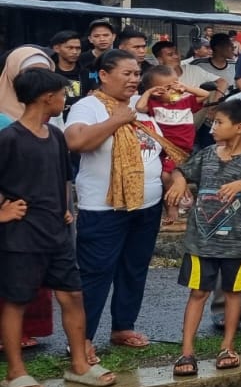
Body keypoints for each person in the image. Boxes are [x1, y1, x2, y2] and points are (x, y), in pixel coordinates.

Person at [0, 69, 113, 387]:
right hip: (20, 237)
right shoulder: (9, 139)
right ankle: (15, 372)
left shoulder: (56, 136)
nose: (65, 100)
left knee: (72, 295)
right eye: (62, 94)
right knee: (16, 302)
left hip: (57, 234)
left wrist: (65, 207)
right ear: (46, 97)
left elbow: (63, 178)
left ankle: (80, 365)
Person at [164, 98, 241, 377]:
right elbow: (182, 169)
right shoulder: (206, 154)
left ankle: (227, 346)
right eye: (213, 122)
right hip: (200, 242)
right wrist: (179, 180)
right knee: (198, 293)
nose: (213, 127)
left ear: (239, 128)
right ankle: (187, 351)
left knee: (232, 293)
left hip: (238, 245)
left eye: (219, 122)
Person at [66, 49, 172, 349]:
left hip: (146, 206)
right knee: (96, 274)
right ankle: (81, 340)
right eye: (126, 73)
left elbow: (160, 154)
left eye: (137, 74)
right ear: (103, 75)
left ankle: (123, 327)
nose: (134, 79)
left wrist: (174, 181)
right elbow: (75, 141)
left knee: (134, 269)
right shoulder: (88, 107)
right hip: (104, 208)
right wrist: (116, 120)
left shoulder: (140, 111)